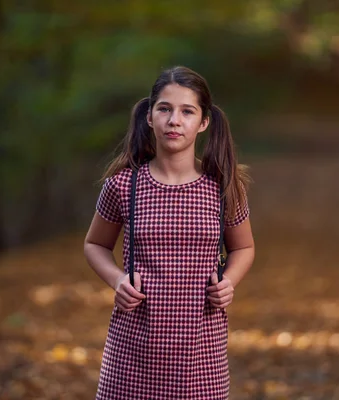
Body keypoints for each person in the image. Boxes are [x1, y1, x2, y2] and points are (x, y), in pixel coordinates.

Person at [83, 65, 255, 399]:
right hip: (133, 352)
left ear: (203, 122)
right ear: (149, 116)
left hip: (200, 353)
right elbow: (94, 244)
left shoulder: (222, 188)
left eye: (187, 111)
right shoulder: (124, 185)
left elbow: (244, 248)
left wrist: (229, 282)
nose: (174, 120)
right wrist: (117, 280)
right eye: (164, 109)